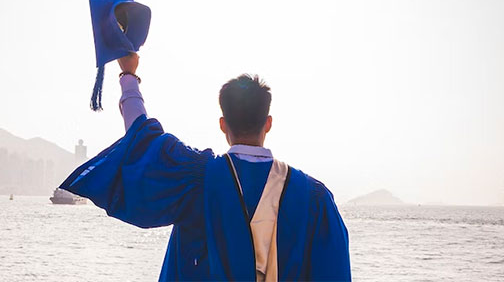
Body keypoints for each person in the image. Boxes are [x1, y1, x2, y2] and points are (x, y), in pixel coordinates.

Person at [60, 53, 351, 281]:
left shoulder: (196, 180)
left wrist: (128, 75)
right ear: (268, 123)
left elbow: (142, 144)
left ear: (224, 125)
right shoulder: (315, 200)